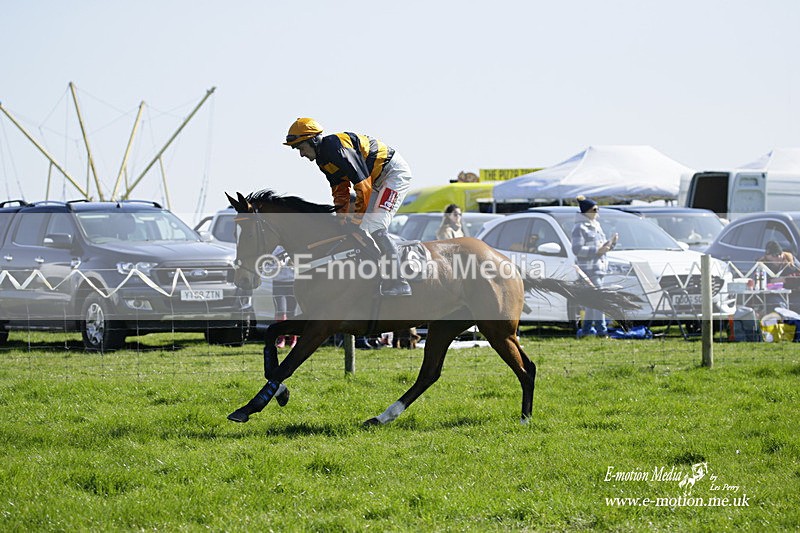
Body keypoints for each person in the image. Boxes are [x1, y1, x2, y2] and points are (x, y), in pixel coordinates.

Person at [284, 118, 412, 296]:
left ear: (313, 140)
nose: (301, 154)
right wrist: (342, 219)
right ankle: (379, 275)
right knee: (360, 229)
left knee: (375, 225)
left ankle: (400, 282)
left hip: (392, 175)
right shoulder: (323, 160)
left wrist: (356, 219)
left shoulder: (337, 149)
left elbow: (363, 186)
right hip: (375, 180)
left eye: (301, 148)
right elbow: (340, 191)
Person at [571, 195, 618, 338]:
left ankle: (585, 331)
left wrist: (612, 244)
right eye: (594, 209)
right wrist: (597, 250)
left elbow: (602, 247)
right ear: (586, 212)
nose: (597, 212)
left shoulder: (596, 225)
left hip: (600, 268)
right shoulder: (579, 228)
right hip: (588, 270)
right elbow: (577, 249)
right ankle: (601, 331)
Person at [271, 247, 298, 349]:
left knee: (292, 312)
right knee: (281, 311)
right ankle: (281, 338)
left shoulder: (293, 246)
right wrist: (277, 266)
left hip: (292, 283)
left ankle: (293, 339)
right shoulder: (275, 249)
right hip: (278, 283)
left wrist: (294, 265)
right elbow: (267, 267)